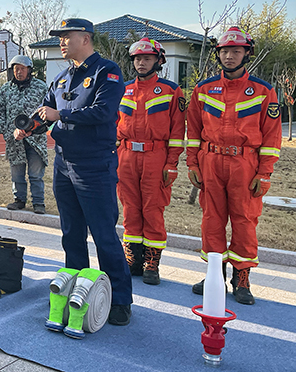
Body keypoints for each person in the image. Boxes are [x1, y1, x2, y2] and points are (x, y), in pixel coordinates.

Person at [36, 18, 132, 326]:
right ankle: (76, 294)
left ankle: (119, 300)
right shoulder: (62, 78)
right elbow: (45, 110)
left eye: (67, 36)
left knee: (104, 235)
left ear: (86, 38)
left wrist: (59, 114)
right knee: (71, 234)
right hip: (64, 163)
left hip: (94, 164)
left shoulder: (107, 72)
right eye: (60, 37)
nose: (62, 41)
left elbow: (103, 112)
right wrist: (30, 126)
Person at [187, 27, 281, 305]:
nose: (229, 56)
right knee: (211, 221)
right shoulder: (203, 89)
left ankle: (242, 278)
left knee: (244, 221)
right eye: (225, 51)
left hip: (245, 164)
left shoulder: (264, 91)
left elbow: (272, 136)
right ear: (218, 54)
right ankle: (214, 275)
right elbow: (193, 129)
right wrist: (192, 162)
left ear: (246, 54)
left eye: (236, 51)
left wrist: (264, 172)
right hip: (211, 161)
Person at [117, 39, 185, 285]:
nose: (141, 63)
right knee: (130, 208)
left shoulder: (171, 91)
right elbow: (114, 125)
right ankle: (132, 260)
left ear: (158, 60)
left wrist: (171, 164)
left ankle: (151, 263)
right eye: (137, 58)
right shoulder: (122, 89)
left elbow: (178, 132)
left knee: (153, 209)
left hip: (156, 156)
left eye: (146, 58)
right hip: (126, 156)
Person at [0, 54, 49, 213]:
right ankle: (19, 200)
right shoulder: (6, 89)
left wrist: (35, 128)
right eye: (16, 69)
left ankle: (38, 203)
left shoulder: (41, 87)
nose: (19, 72)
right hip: (14, 140)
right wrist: (9, 132)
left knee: (35, 174)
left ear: (29, 70)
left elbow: (47, 111)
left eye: (22, 69)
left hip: (36, 139)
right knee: (17, 173)